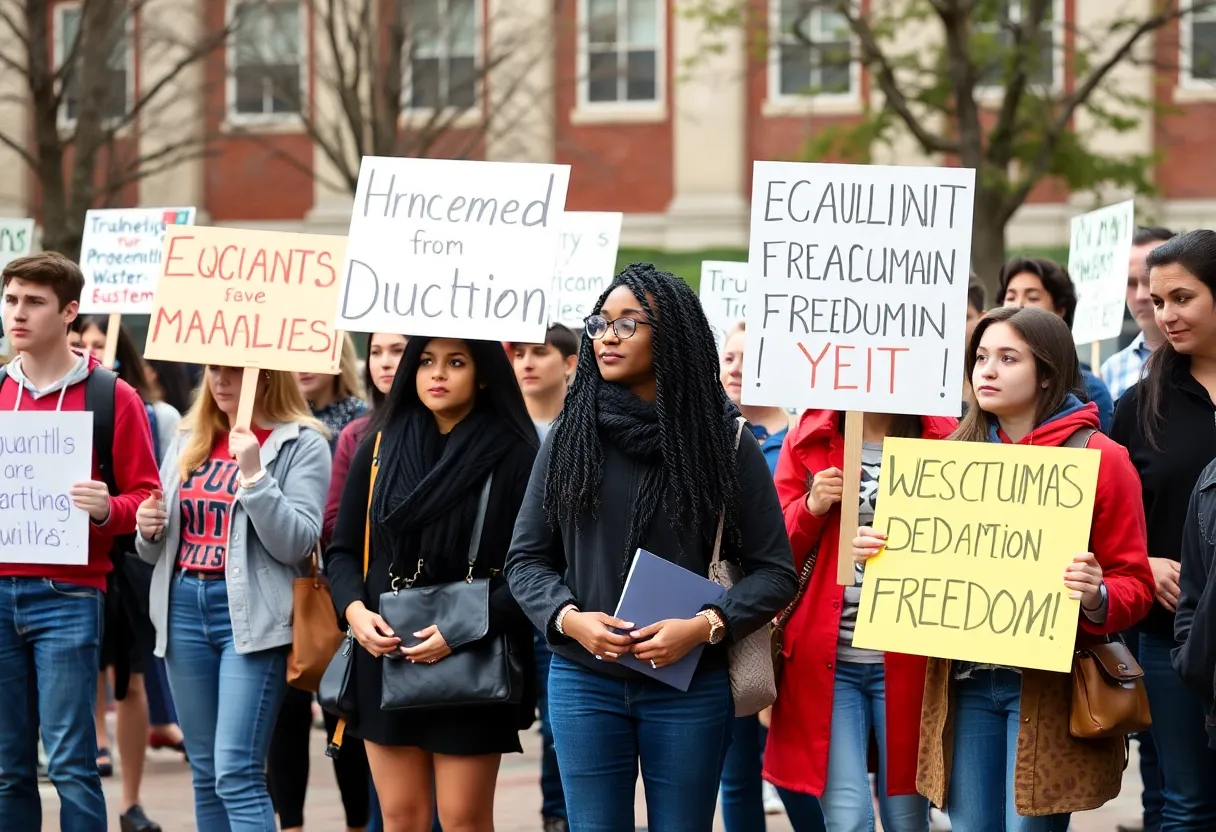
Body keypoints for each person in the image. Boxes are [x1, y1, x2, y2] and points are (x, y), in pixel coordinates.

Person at [506, 264, 798, 832]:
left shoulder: (725, 442)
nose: (607, 337)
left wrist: (706, 624)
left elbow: (774, 572)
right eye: (600, 324)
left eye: (627, 324)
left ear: (673, 336)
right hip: (583, 677)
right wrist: (568, 619)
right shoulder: (571, 435)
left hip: (689, 684)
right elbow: (526, 560)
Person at [876, 305, 1153, 831]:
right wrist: (886, 551)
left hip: (1050, 690)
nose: (988, 370)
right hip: (966, 685)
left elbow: (1135, 584)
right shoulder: (946, 460)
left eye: (1008, 358)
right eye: (981, 357)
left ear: (1046, 372)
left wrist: (1096, 593)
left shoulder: (1102, 458)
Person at [325, 336, 539, 832]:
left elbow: (535, 573)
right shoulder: (378, 445)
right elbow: (342, 553)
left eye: (455, 362)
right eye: (425, 362)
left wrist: (464, 627)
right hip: (386, 651)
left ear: (483, 373)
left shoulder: (517, 453)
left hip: (473, 658)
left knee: (463, 820)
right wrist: (355, 615)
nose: (437, 374)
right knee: (402, 819)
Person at [0, 252, 160, 831]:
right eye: (12, 299)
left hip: (69, 594)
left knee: (71, 763)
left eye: (34, 302)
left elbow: (148, 500)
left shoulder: (112, 395)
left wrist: (104, 512)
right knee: (7, 768)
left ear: (69, 312)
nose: (18, 313)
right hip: (0, 590)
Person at [135, 365, 331, 831]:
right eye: (213, 371)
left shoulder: (303, 443)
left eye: (234, 372)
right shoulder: (189, 438)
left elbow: (298, 543)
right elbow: (154, 549)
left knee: (237, 772)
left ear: (266, 378)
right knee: (205, 775)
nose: (219, 382)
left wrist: (255, 475)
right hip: (182, 606)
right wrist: (147, 529)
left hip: (253, 616)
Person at [765, 399, 953, 832]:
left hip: (911, 659)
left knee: (908, 819)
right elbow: (773, 555)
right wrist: (811, 508)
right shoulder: (808, 438)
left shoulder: (947, 438)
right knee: (848, 818)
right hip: (829, 663)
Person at [1111, 229, 1216, 831]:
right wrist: (1141, 563)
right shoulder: (1139, 404)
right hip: (1170, 636)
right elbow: (1102, 522)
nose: (1165, 314)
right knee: (1187, 803)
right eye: (1158, 299)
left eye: (1183, 297)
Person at [75, 315, 183, 832]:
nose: (93, 349)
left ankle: (131, 800)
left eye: (103, 341)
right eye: (85, 341)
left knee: (131, 679)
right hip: (76, 559)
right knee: (89, 672)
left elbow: (156, 486)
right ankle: (95, 745)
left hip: (131, 560)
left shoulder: (149, 410)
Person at [716, 321, 826, 832]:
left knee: (794, 771)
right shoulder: (708, 441)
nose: (735, 367)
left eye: (749, 357)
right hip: (727, 621)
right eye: (729, 357)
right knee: (735, 773)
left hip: (790, 625)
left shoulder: (806, 444)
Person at [270, 333, 372, 832]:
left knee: (344, 716)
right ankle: (290, 822)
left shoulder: (361, 422)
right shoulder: (272, 421)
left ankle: (356, 821)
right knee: (284, 719)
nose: (305, 366)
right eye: (295, 356)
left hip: (341, 588)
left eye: (317, 354)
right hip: (285, 588)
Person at [317, 332, 411, 832]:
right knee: (393, 807)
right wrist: (355, 606)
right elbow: (337, 532)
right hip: (379, 624)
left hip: (448, 634)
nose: (385, 361)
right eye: (376, 351)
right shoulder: (361, 437)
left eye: (398, 350)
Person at [1097, 226, 1174, 832]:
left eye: (1169, 289)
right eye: (1133, 284)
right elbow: (1111, 514)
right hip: (1160, 619)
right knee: (1173, 785)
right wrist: (1140, 562)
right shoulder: (1129, 395)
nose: (1148, 298)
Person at [510, 323, 578, 832]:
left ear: (571, 363)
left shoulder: (586, 428)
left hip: (565, 598)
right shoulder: (501, 433)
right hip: (507, 597)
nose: (528, 363)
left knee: (561, 724)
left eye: (541, 352)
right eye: (519, 354)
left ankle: (558, 815)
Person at [999, 257, 1115, 431]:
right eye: (1011, 296)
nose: (1019, 305)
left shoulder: (1091, 391)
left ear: (1060, 311)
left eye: (1032, 297)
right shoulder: (987, 381)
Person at [1102, 228, 1177, 404]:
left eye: (1151, 281)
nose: (1141, 296)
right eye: (1131, 283)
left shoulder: (1206, 361)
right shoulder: (1110, 371)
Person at [295, 334, 368, 450]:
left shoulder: (361, 417)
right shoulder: (279, 416)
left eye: (314, 355)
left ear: (339, 358)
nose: (303, 368)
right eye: (295, 357)